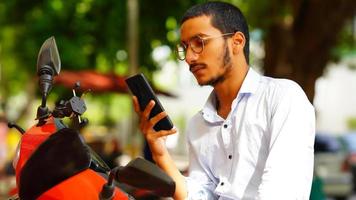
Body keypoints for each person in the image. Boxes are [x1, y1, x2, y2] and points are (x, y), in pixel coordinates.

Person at [132, 1, 315, 199]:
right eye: (185, 47)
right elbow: (201, 196)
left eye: (199, 42)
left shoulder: (283, 98)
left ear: (237, 42)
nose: (190, 58)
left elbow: (281, 192)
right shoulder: (198, 124)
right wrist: (160, 153)